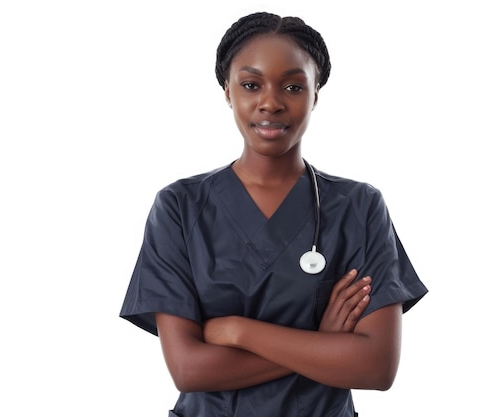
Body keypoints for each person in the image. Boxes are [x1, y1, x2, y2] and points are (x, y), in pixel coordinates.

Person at [120, 11, 428, 417]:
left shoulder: (359, 207)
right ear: (227, 91)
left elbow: (376, 367)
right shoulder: (179, 207)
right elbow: (188, 369)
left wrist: (237, 331)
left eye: (293, 86)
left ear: (316, 93)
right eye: (251, 84)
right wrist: (321, 342)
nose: (271, 102)